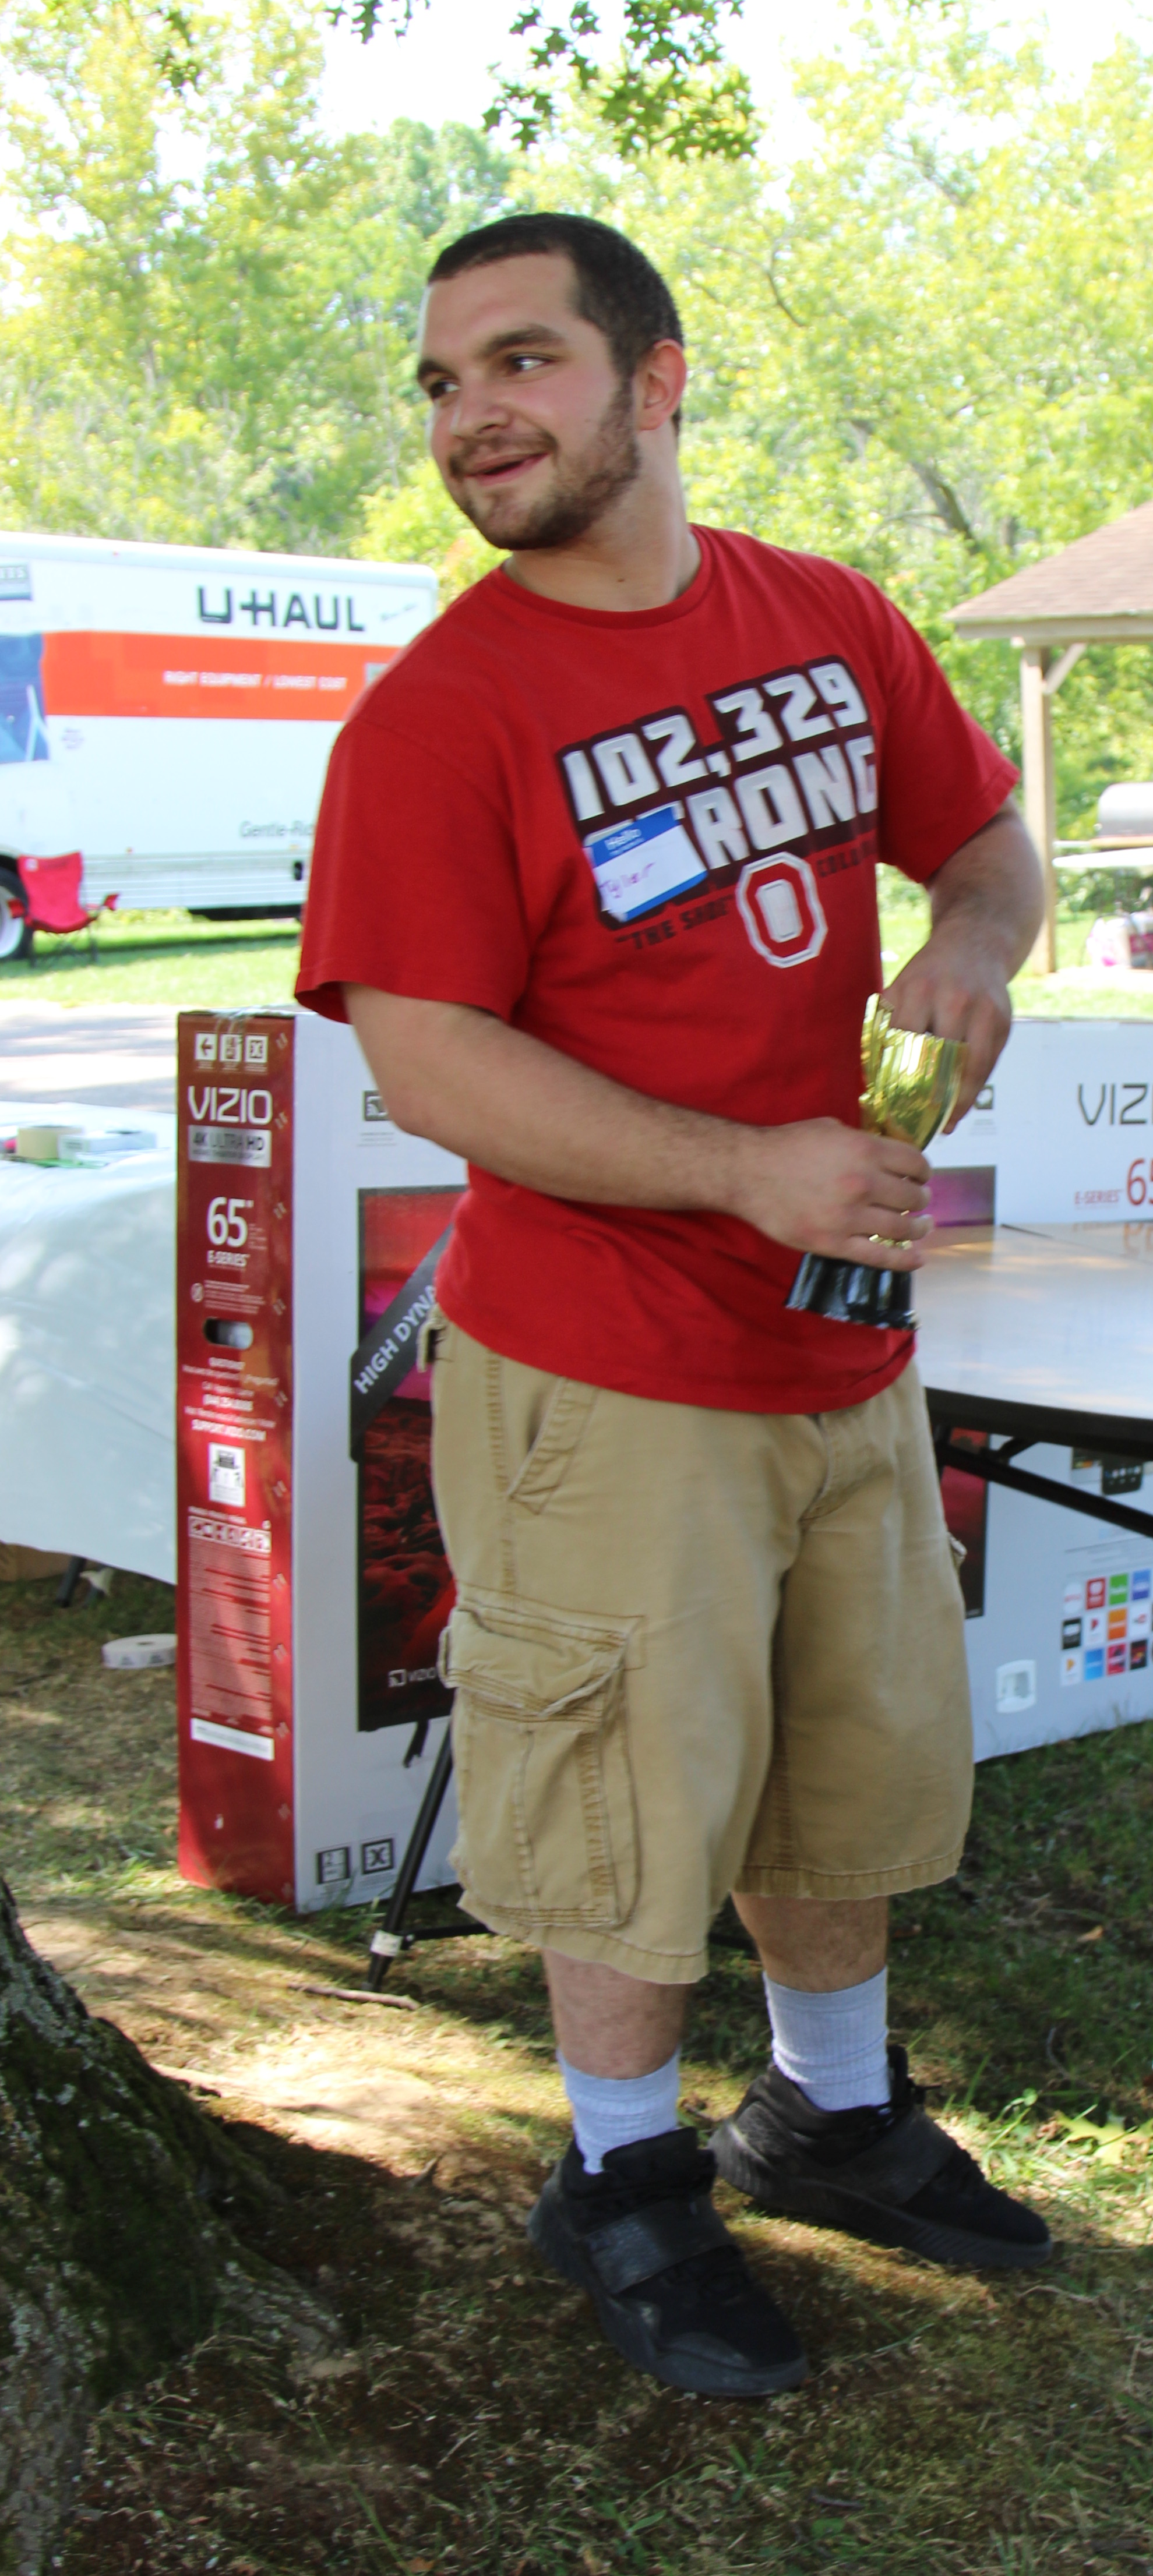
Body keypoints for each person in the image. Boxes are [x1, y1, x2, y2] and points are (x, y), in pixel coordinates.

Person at [295, 211, 1052, 2405]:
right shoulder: (445, 712)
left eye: (520, 360)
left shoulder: (823, 619)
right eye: (441, 382)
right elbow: (427, 1057)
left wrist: (973, 958)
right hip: (602, 1365)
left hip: (840, 1345)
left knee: (846, 1762)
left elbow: (989, 848)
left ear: (661, 376)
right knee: (626, 1799)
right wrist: (739, 1165)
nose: (472, 417)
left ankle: (831, 2107)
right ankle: (621, 2180)